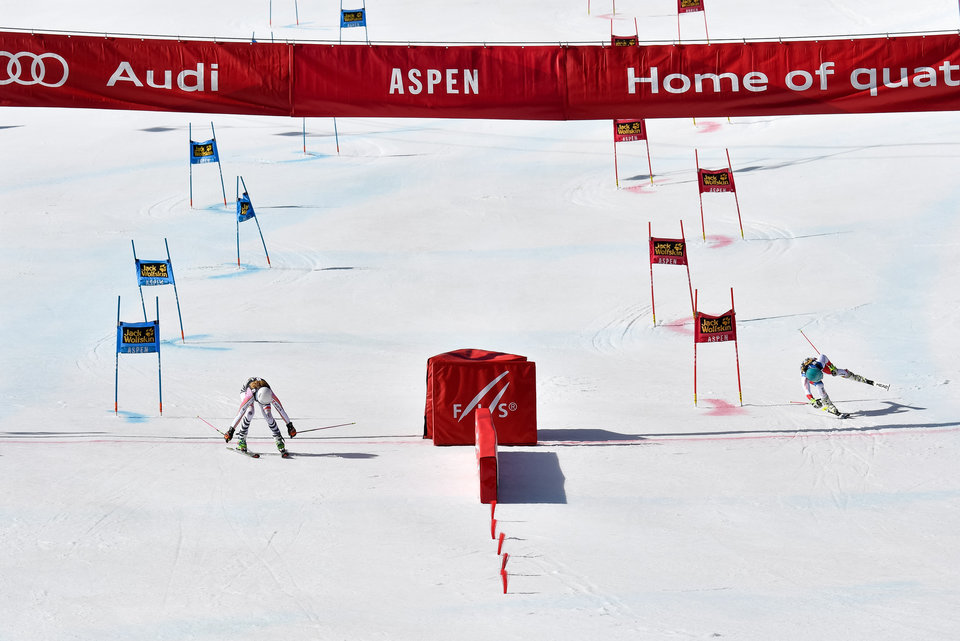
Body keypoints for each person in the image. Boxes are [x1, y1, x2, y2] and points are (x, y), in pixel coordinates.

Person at [224, 377, 296, 454]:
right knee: (249, 412)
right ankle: (241, 439)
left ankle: (278, 439)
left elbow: (281, 410)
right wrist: (231, 431)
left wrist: (290, 426)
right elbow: (240, 413)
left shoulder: (270, 394)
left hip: (262, 392)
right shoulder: (249, 396)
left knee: (268, 415)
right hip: (247, 391)